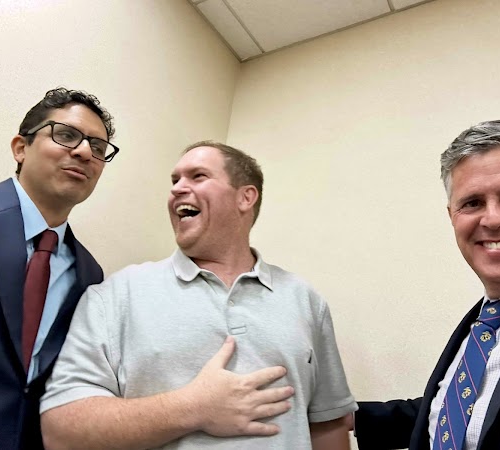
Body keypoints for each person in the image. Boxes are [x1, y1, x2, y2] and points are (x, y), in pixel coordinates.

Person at [40, 141, 357, 449]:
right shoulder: (115, 295)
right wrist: (191, 408)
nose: (177, 189)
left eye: (198, 176)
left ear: (245, 197)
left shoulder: (306, 301)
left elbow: (328, 425)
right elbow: (61, 432)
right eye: (175, 180)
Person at [355, 120, 500, 450]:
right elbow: (468, 409)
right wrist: (341, 414)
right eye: (472, 203)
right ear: (452, 215)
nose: (492, 219)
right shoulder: (489, 321)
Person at [0, 87, 120, 449]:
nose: (84, 152)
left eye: (98, 148)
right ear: (21, 147)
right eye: (66, 135)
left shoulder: (90, 274)